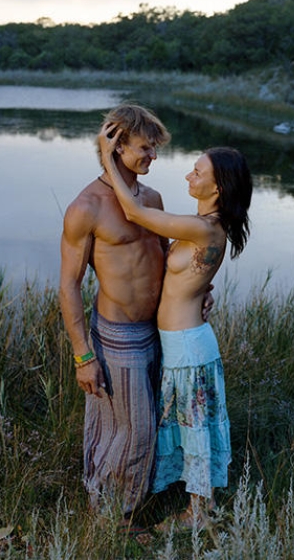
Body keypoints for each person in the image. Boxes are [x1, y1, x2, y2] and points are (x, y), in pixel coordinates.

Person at [60, 103, 211, 530]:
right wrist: (82, 356)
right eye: (145, 148)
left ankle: (129, 502)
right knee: (136, 430)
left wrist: (198, 289)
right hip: (118, 335)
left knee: (149, 424)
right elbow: (69, 284)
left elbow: (164, 257)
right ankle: (112, 518)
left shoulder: (151, 198)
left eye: (155, 149)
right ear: (117, 144)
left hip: (158, 328)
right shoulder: (86, 206)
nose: (153, 157)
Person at [98, 121, 253, 529]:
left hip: (188, 347)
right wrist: (204, 288)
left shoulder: (203, 227)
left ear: (217, 188)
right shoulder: (200, 224)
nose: (188, 175)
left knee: (197, 427)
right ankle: (194, 506)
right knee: (188, 425)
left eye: (198, 172)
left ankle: (200, 513)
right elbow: (191, 272)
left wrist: (107, 155)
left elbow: (134, 211)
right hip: (182, 342)